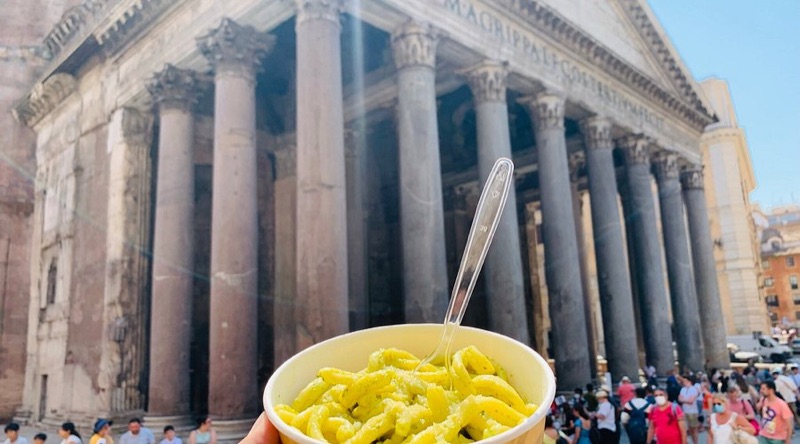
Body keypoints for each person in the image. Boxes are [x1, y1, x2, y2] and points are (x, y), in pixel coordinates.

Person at [678, 375, 701, 444]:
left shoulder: (694, 389)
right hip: (685, 411)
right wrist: (686, 400)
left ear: (689, 381)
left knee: (694, 429)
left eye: (685, 381)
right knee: (688, 429)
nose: (683, 382)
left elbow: (691, 401)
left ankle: (695, 442)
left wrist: (683, 400)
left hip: (692, 412)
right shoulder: (683, 389)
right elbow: (679, 399)